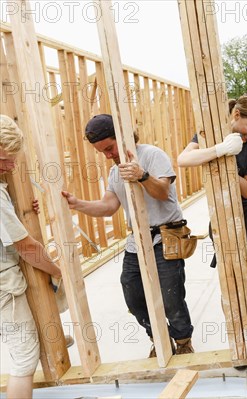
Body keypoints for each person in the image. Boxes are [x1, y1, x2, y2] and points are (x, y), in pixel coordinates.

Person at [61, 114, 194, 357]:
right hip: (137, 241)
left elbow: (163, 192)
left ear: (121, 138)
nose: (107, 155)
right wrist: (76, 204)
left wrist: (141, 176)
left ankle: (183, 340)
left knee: (171, 297)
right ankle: (159, 337)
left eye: (109, 148)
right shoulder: (116, 172)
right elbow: (108, 207)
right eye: (102, 152)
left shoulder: (152, 155)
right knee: (132, 293)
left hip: (166, 236)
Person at [177, 93, 247, 374]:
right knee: (229, 282)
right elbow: (183, 160)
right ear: (236, 114)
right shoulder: (209, 134)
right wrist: (219, 149)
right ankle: (239, 343)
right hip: (219, 218)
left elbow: (246, 190)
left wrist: (229, 158)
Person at [1, 115, 63, 399]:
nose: (11, 165)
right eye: (5, 158)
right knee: (24, 358)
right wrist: (57, 269)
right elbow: (26, 247)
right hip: (4, 287)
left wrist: (20, 208)